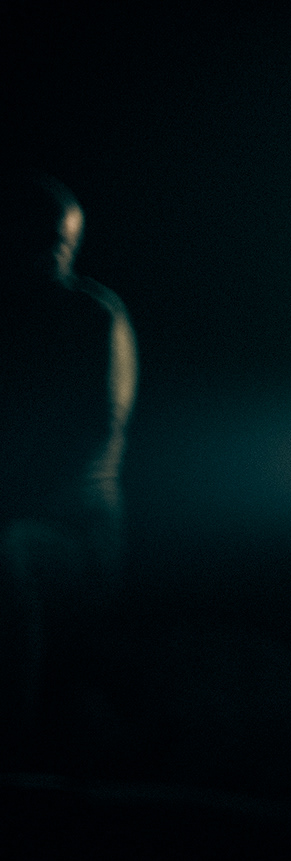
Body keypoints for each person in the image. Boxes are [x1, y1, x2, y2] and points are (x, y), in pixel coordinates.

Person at [1, 174, 135, 762]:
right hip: (22, 514)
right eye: (39, 238)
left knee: (4, 554)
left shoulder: (92, 316)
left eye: (60, 241)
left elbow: (91, 434)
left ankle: (12, 742)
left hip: (76, 533)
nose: (51, 252)